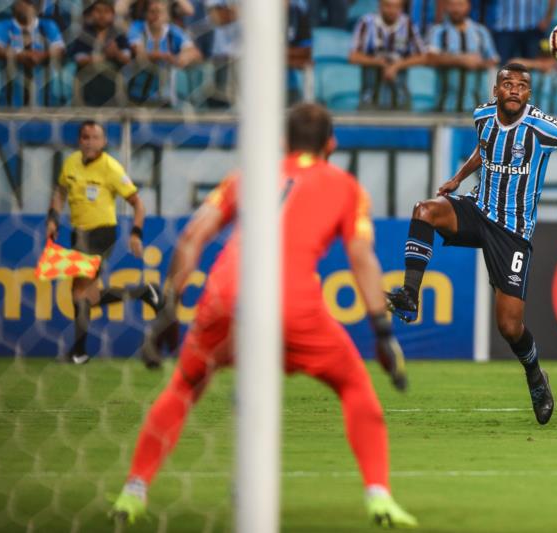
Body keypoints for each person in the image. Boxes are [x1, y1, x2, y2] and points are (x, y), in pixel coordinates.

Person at [110, 103, 418, 528]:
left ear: (282, 142)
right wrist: (382, 330)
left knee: (184, 384)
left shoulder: (247, 176)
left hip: (225, 297)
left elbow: (191, 237)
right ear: (332, 144)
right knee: (353, 384)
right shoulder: (346, 187)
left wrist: (167, 308)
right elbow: (361, 257)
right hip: (291, 303)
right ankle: (379, 496)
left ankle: (133, 491)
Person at [386, 63, 557, 425]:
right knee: (424, 210)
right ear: (495, 90)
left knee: (509, 327)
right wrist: (458, 178)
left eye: (521, 86)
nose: (513, 90)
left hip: (513, 233)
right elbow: (484, 148)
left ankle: (535, 376)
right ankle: (410, 295)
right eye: (507, 84)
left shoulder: (541, 126)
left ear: (529, 95)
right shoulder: (483, 116)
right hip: (478, 209)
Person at [47, 120, 162, 365]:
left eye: (95, 137)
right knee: (89, 297)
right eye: (85, 137)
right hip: (78, 234)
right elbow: (59, 192)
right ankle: (143, 292)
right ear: (79, 140)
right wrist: (53, 219)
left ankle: (78, 353)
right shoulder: (71, 163)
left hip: (102, 233)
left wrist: (136, 234)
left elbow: (138, 204)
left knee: (79, 292)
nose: (90, 142)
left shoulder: (111, 168)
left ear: (104, 141)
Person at [349, 0, 427, 110]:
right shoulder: (366, 23)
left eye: (396, 7)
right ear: (380, 6)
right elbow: (353, 56)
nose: (392, 11)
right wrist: (379, 63)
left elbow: (423, 56)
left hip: (400, 97)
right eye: (388, 6)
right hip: (370, 97)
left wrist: (397, 66)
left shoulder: (408, 23)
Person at [427, 0, 499, 112]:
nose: (456, 9)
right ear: (446, 7)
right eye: (452, 5)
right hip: (445, 106)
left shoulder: (480, 31)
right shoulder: (438, 31)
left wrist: (479, 63)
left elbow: (493, 60)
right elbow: (431, 58)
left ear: (468, 6)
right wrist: (461, 60)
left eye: (460, 5)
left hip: (477, 106)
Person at [0, 0, 65, 107]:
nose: (27, 6)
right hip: (10, 91)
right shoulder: (4, 25)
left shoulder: (47, 25)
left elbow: (59, 48)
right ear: (15, 4)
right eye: (24, 2)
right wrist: (19, 55)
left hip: (43, 90)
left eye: (31, 3)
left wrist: (40, 56)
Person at [127, 0, 202, 104]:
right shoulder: (137, 27)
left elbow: (193, 52)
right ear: (146, 14)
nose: (156, 15)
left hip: (165, 97)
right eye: (152, 11)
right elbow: (140, 55)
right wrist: (162, 56)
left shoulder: (173, 31)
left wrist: (182, 58)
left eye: (160, 12)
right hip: (138, 95)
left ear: (167, 15)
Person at [69, 0, 132, 106]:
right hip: (88, 83)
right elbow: (79, 59)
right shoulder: (84, 34)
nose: (102, 15)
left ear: (113, 15)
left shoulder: (118, 35)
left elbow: (127, 58)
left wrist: (116, 53)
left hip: (112, 84)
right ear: (92, 13)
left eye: (106, 11)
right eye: (98, 11)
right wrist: (105, 56)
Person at [492, 0, 556, 64]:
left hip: (533, 29)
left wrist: (547, 19)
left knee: (534, 65)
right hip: (504, 29)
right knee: (502, 66)